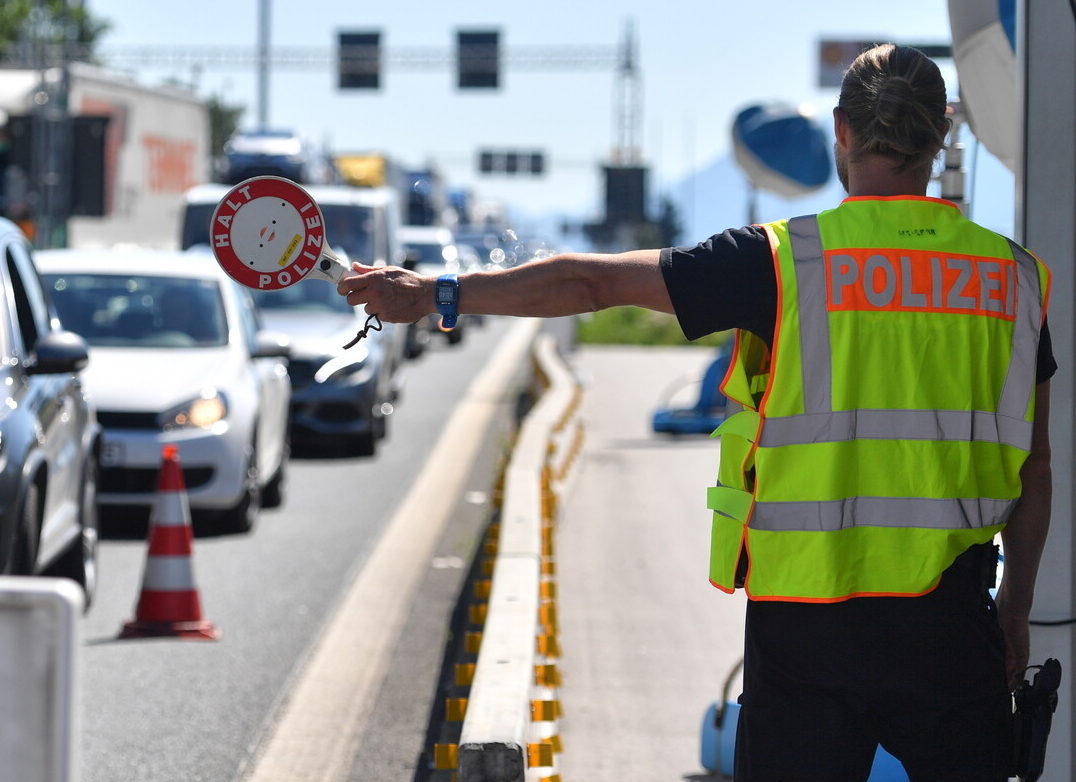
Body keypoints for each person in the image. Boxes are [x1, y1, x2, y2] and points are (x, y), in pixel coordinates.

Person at [341, 43, 1055, 782]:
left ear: (840, 131)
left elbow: (591, 284)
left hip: (805, 631)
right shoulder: (1014, 278)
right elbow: (1036, 469)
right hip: (953, 630)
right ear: (940, 134)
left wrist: (435, 295)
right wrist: (1015, 611)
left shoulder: (782, 261)